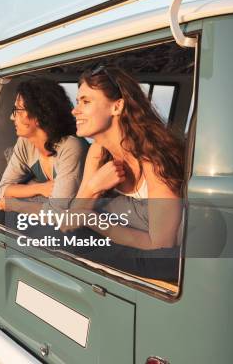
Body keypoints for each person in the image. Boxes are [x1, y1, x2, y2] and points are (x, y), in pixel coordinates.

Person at [63, 64, 185, 280]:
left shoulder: (154, 158)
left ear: (117, 106)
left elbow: (161, 245)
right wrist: (93, 187)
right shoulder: (96, 152)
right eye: (77, 102)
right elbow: (69, 224)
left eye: (86, 101)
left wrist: (93, 220)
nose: (75, 110)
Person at [0, 78, 89, 215]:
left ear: (39, 114)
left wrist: (15, 205)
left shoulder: (71, 146)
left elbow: (59, 210)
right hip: (52, 208)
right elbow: (3, 189)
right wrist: (40, 188)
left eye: (18, 110)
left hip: (80, 217)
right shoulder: (25, 142)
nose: (12, 117)